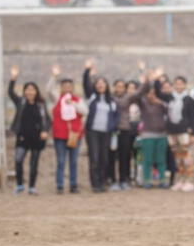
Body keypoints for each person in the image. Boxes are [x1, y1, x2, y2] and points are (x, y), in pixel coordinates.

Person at [8, 65, 51, 195]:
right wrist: (13, 78)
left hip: (37, 138)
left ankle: (32, 186)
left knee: (34, 163)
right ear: (24, 91)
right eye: (28, 89)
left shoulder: (41, 105)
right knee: (18, 160)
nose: (30, 92)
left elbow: (47, 120)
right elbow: (10, 92)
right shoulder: (20, 102)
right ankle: (20, 184)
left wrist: (45, 130)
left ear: (36, 91)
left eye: (32, 90)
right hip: (22, 137)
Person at [47, 64, 88, 194]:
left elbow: (85, 111)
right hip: (60, 134)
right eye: (64, 86)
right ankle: (59, 185)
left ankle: (73, 184)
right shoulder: (57, 99)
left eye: (69, 86)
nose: (67, 88)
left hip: (74, 134)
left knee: (74, 161)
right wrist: (54, 76)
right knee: (61, 160)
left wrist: (74, 104)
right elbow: (48, 90)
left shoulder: (77, 100)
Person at [155, 75, 194, 192]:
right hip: (172, 132)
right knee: (177, 158)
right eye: (176, 83)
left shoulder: (188, 99)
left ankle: (189, 180)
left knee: (186, 157)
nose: (178, 86)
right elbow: (158, 93)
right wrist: (158, 80)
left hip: (184, 131)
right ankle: (180, 180)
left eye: (181, 83)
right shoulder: (170, 97)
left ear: (185, 85)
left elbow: (193, 117)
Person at [83, 59, 120, 193]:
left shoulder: (111, 101)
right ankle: (95, 183)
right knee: (94, 158)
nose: (100, 85)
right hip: (93, 132)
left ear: (106, 86)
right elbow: (85, 84)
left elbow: (116, 115)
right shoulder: (92, 97)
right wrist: (87, 71)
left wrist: (114, 126)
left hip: (106, 133)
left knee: (104, 158)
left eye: (103, 83)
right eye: (98, 83)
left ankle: (103, 181)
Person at [136, 70, 169, 189]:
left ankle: (162, 180)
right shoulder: (143, 104)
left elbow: (169, 112)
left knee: (161, 159)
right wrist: (146, 81)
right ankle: (147, 180)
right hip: (148, 135)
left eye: (154, 93)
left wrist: (160, 102)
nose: (152, 95)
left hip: (161, 135)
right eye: (149, 93)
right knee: (148, 160)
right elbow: (138, 95)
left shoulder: (160, 104)